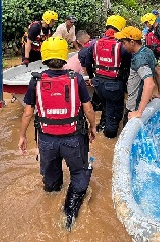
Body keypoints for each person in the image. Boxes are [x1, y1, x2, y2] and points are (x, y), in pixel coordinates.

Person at [18, 37, 96, 230]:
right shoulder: (76, 79)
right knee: (79, 173)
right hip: (73, 139)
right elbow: (88, 109)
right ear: (64, 56)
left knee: (51, 180)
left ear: (44, 57)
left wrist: (21, 136)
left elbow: (28, 112)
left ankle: (51, 200)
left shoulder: (35, 81)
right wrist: (93, 127)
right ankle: (69, 214)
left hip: (46, 141)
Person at [84, 15, 131, 138]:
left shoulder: (94, 43)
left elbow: (88, 62)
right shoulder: (121, 46)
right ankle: (110, 137)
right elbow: (128, 65)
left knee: (105, 106)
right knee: (114, 112)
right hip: (114, 85)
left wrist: (91, 76)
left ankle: (101, 126)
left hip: (98, 83)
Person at [114, 26, 160, 121]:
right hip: (144, 102)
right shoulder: (147, 51)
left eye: (124, 43)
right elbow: (158, 71)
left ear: (132, 42)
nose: (123, 46)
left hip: (134, 107)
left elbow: (149, 84)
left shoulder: (139, 59)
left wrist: (139, 112)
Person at [142, 12, 160, 85]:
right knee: (155, 74)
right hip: (154, 55)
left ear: (150, 22)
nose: (146, 25)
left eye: (146, 23)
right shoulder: (150, 31)